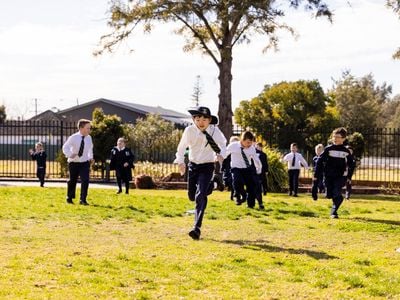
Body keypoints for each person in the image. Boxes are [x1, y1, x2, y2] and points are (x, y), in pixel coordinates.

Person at [174, 106, 227, 240]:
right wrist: (181, 162)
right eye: (198, 119)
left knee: (200, 195)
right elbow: (181, 148)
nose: (201, 122)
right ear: (193, 119)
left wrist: (221, 155)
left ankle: (196, 228)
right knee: (192, 196)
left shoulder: (215, 131)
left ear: (209, 120)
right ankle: (215, 183)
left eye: (204, 119)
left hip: (207, 166)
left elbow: (223, 144)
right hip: (193, 166)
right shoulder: (189, 130)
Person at [314, 127, 355, 219]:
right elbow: (320, 161)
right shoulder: (329, 149)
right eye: (334, 136)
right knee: (329, 195)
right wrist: (316, 174)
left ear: (343, 139)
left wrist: (349, 177)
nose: (335, 139)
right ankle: (338, 199)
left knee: (336, 192)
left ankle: (334, 211)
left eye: (337, 137)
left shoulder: (346, 151)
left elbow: (351, 165)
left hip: (340, 176)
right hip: (328, 175)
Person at [226, 131, 262, 208]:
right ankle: (237, 197)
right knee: (237, 181)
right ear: (242, 140)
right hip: (236, 168)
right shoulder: (233, 146)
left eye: (251, 142)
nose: (249, 144)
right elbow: (225, 153)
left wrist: (259, 168)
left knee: (251, 186)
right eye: (248, 142)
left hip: (247, 168)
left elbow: (256, 159)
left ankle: (250, 204)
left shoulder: (251, 148)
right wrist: (216, 158)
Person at [62, 119, 93, 205]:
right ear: (81, 128)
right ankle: (69, 197)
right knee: (72, 180)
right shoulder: (73, 137)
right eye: (88, 128)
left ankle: (83, 199)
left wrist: (91, 157)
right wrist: (70, 154)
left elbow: (90, 148)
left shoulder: (89, 138)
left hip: (84, 162)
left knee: (85, 180)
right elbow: (65, 147)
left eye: (89, 128)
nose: (89, 130)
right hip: (73, 162)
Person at [221, 136, 240, 200]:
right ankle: (233, 193)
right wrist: (222, 168)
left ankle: (234, 194)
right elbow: (224, 160)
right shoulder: (228, 150)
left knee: (235, 181)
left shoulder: (239, 151)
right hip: (228, 168)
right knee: (229, 182)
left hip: (236, 168)